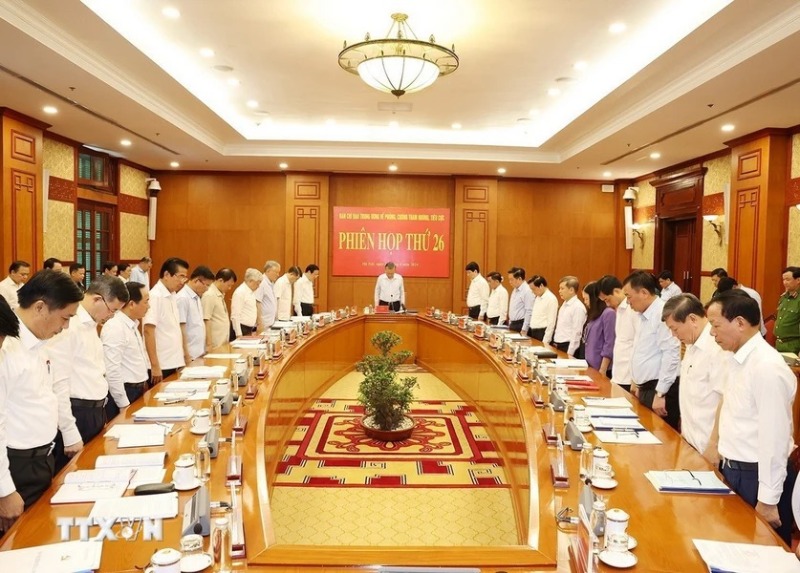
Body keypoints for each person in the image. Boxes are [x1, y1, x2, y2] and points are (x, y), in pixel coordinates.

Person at [707, 290, 796, 545]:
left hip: (757, 477)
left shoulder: (767, 367)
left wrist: (768, 499)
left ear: (740, 323)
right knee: (733, 546)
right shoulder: (736, 359)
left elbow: (775, 438)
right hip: (735, 470)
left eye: (715, 325)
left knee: (759, 554)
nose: (712, 333)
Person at [0, 271, 84, 528]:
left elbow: (51, 392)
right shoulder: (6, 347)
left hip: (42, 457)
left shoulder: (39, 342)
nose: (65, 327)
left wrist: (68, 433)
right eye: (65, 317)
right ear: (40, 307)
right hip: (17, 466)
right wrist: (5, 490)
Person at [49, 275, 129, 462]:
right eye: (112, 310)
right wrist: (69, 431)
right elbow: (58, 382)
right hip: (77, 413)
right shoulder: (69, 325)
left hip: (96, 411)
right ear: (97, 299)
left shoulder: (91, 325)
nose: (111, 316)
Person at [662, 293, 726, 462]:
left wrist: (713, 444)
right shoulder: (691, 344)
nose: (674, 335)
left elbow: (724, 400)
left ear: (692, 319)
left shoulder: (716, 348)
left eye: (675, 329)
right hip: (691, 441)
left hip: (709, 447)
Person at [623, 271, 681, 430]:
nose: (628, 302)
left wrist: (661, 393)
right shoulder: (643, 314)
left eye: (629, 297)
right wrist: (635, 381)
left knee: (660, 444)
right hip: (646, 387)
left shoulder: (662, 313)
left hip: (660, 389)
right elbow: (641, 350)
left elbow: (672, 354)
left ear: (644, 293)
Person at [101, 281, 151, 419]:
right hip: (125, 392)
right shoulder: (115, 327)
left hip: (137, 389)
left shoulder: (132, 324)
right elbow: (112, 370)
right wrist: (123, 404)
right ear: (132, 304)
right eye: (146, 302)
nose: (149, 306)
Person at [143, 257, 189, 384]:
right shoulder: (155, 296)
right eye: (180, 276)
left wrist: (185, 356)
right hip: (161, 364)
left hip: (174, 361)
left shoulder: (173, 295)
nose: (182, 281)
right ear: (167, 274)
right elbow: (148, 331)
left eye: (185, 277)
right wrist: (155, 365)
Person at [598, 275, 638, 392]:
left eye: (607, 299)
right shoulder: (618, 310)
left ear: (616, 291)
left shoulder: (633, 309)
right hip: (618, 374)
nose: (607, 304)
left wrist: (635, 379)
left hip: (629, 376)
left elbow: (637, 343)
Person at [177, 265, 214, 363]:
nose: (207, 289)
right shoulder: (182, 298)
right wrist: (186, 355)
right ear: (197, 280)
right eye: (207, 285)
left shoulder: (197, 297)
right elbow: (181, 328)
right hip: (189, 355)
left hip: (199, 353)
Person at [581, 281, 615, 375]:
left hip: (602, 368)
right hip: (590, 364)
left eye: (587, 299)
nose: (585, 302)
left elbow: (609, 343)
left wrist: (603, 368)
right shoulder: (594, 314)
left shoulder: (608, 313)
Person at [552, 276, 587, 356]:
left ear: (571, 290)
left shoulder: (578, 307)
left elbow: (577, 332)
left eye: (562, 288)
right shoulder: (564, 304)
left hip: (568, 347)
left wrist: (570, 352)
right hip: (558, 344)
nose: (559, 291)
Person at [203, 268, 236, 351]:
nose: (230, 288)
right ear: (220, 280)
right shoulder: (209, 294)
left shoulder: (220, 294)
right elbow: (206, 319)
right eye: (229, 285)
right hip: (214, 343)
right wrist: (209, 344)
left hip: (223, 341)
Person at [775, 266, 800, 354]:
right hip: (779, 343)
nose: (785, 282)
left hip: (793, 345)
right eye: (783, 280)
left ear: (798, 280)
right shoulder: (784, 297)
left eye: (788, 279)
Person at [231, 268, 263, 336]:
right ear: (251, 281)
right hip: (241, 329)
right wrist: (238, 334)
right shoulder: (240, 292)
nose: (258, 286)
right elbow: (235, 316)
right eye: (257, 284)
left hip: (249, 329)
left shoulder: (251, 292)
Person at [528, 275, 558, 344]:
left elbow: (551, 323)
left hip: (542, 333)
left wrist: (546, 341)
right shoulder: (538, 297)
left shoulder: (551, 299)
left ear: (541, 285)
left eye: (533, 289)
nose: (532, 292)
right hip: (533, 331)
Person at [507, 268, 533, 333]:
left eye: (511, 279)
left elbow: (529, 311)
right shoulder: (515, 289)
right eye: (509, 279)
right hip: (513, 323)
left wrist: (524, 329)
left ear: (519, 279)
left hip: (521, 324)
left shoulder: (527, 291)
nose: (510, 282)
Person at [258, 260, 281, 329]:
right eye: (276, 272)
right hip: (264, 323)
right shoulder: (261, 283)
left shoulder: (272, 283)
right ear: (268, 271)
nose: (278, 275)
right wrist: (260, 322)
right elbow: (257, 302)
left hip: (271, 322)